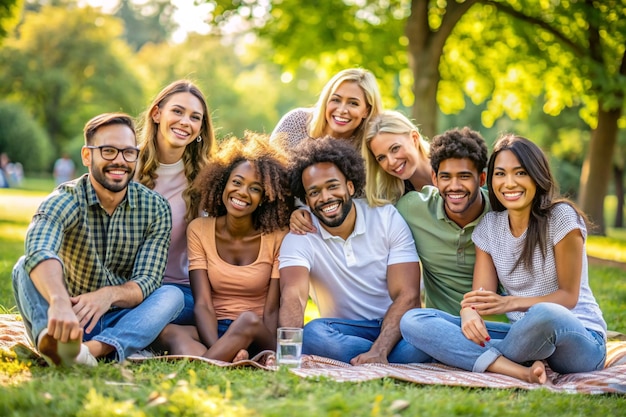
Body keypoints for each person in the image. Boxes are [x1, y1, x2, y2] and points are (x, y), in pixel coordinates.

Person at [400, 134, 607, 384]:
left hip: (578, 338)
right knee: (414, 320)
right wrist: (469, 311)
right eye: (501, 174)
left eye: (520, 173)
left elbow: (568, 297)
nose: (509, 183)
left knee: (545, 314)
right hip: (524, 338)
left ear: (536, 176)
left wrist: (508, 304)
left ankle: (468, 356)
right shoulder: (489, 227)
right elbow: (480, 296)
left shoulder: (560, 218)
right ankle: (518, 370)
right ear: (491, 179)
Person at [12, 113, 184, 366]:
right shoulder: (66, 199)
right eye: (108, 151)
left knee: (173, 295)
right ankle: (52, 340)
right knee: (23, 266)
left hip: (123, 317)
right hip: (67, 315)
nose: (119, 161)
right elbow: (41, 247)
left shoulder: (155, 208)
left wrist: (107, 296)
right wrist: (58, 301)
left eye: (128, 153)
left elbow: (147, 280)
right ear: (86, 155)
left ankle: (92, 350)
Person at [278, 138, 429, 365]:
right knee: (313, 335)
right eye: (315, 192)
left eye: (332, 186)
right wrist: (288, 357)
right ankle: (393, 359)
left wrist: (380, 348)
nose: (326, 197)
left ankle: (380, 355)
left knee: (425, 333)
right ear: (307, 200)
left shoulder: (386, 217)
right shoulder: (300, 236)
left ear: (349, 186)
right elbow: (293, 296)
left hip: (398, 327)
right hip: (342, 331)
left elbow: (408, 296)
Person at [156, 134, 293, 362]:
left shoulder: (277, 236)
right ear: (223, 183)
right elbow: (203, 303)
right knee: (168, 331)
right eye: (237, 182)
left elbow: (271, 310)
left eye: (255, 188)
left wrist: (267, 348)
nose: (242, 192)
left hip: (257, 330)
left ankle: (216, 360)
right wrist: (222, 345)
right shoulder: (199, 229)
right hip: (216, 329)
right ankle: (230, 357)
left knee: (247, 320)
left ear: (265, 197)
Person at [136, 79, 215, 326]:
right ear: (157, 114)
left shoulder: (207, 178)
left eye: (195, 117)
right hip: (123, 284)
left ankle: (105, 339)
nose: (185, 122)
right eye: (177, 111)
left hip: (176, 292)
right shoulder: (126, 162)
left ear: (201, 129)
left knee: (167, 300)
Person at [395, 127, 490, 315]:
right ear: (434, 179)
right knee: (412, 320)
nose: (454, 186)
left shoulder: (500, 215)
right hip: (439, 324)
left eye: (464, 176)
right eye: (445, 177)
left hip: (492, 323)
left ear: (481, 179)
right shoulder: (411, 208)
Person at [270, 68, 382, 150]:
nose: (342, 110)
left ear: (366, 111)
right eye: (336, 100)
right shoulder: (296, 122)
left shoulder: (369, 147)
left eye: (353, 103)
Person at [363, 110, 432, 205]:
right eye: (381, 158)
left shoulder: (453, 161)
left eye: (395, 148)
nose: (391, 162)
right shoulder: (394, 200)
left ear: (414, 138)